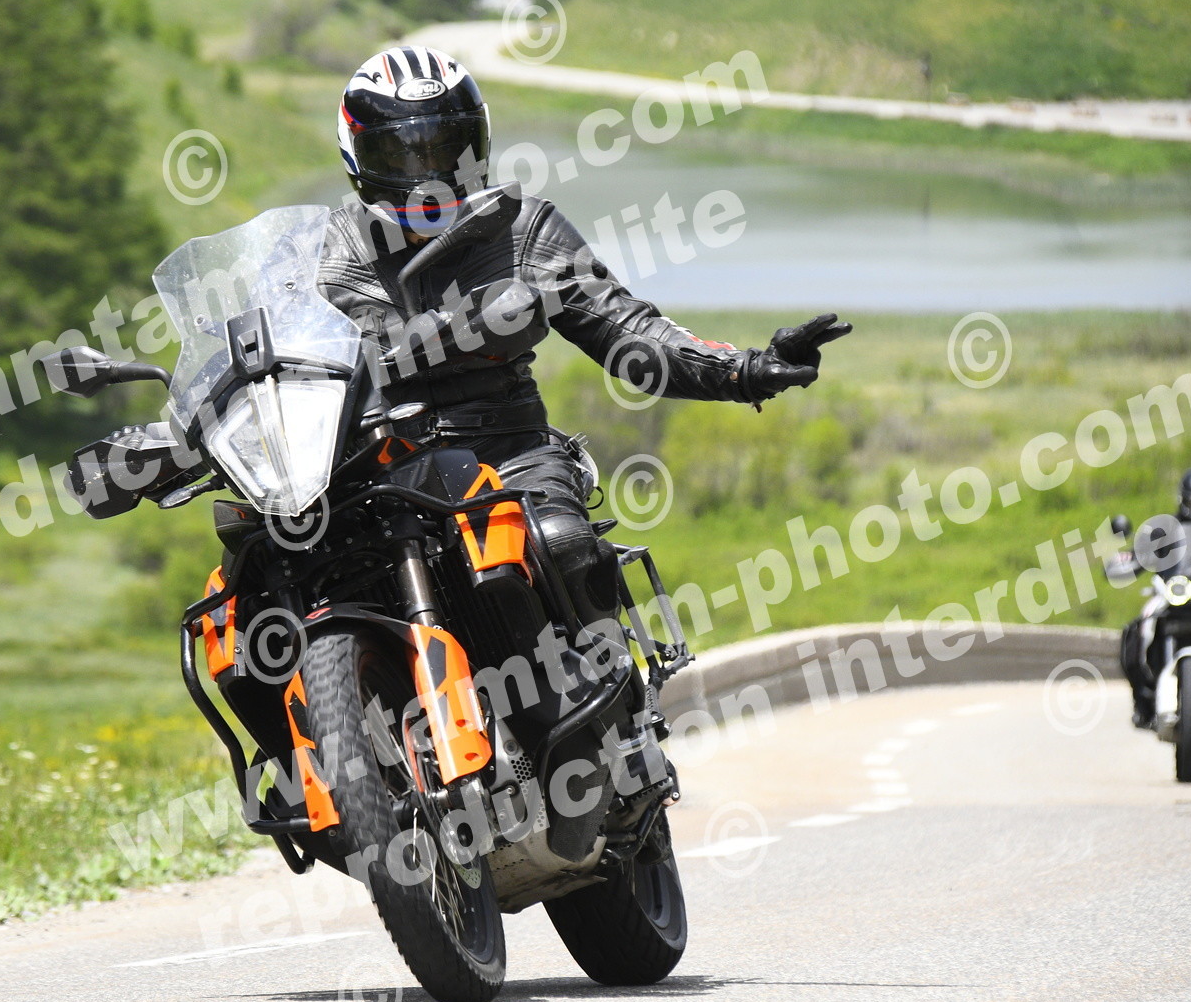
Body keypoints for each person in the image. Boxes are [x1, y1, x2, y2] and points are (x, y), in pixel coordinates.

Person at [319, 45, 851, 627]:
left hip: (506, 453)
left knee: (560, 544)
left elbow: (627, 329)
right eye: (401, 153)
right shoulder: (324, 254)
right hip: (371, 472)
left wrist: (743, 370)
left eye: (446, 148)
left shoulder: (522, 228)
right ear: (357, 155)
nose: (427, 173)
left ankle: (600, 672)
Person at [1109, 466, 1191, 728]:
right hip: (1173, 593)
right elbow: (1139, 551)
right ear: (1183, 499)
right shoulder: (1165, 527)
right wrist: (1127, 560)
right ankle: (1142, 699)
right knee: (1134, 631)